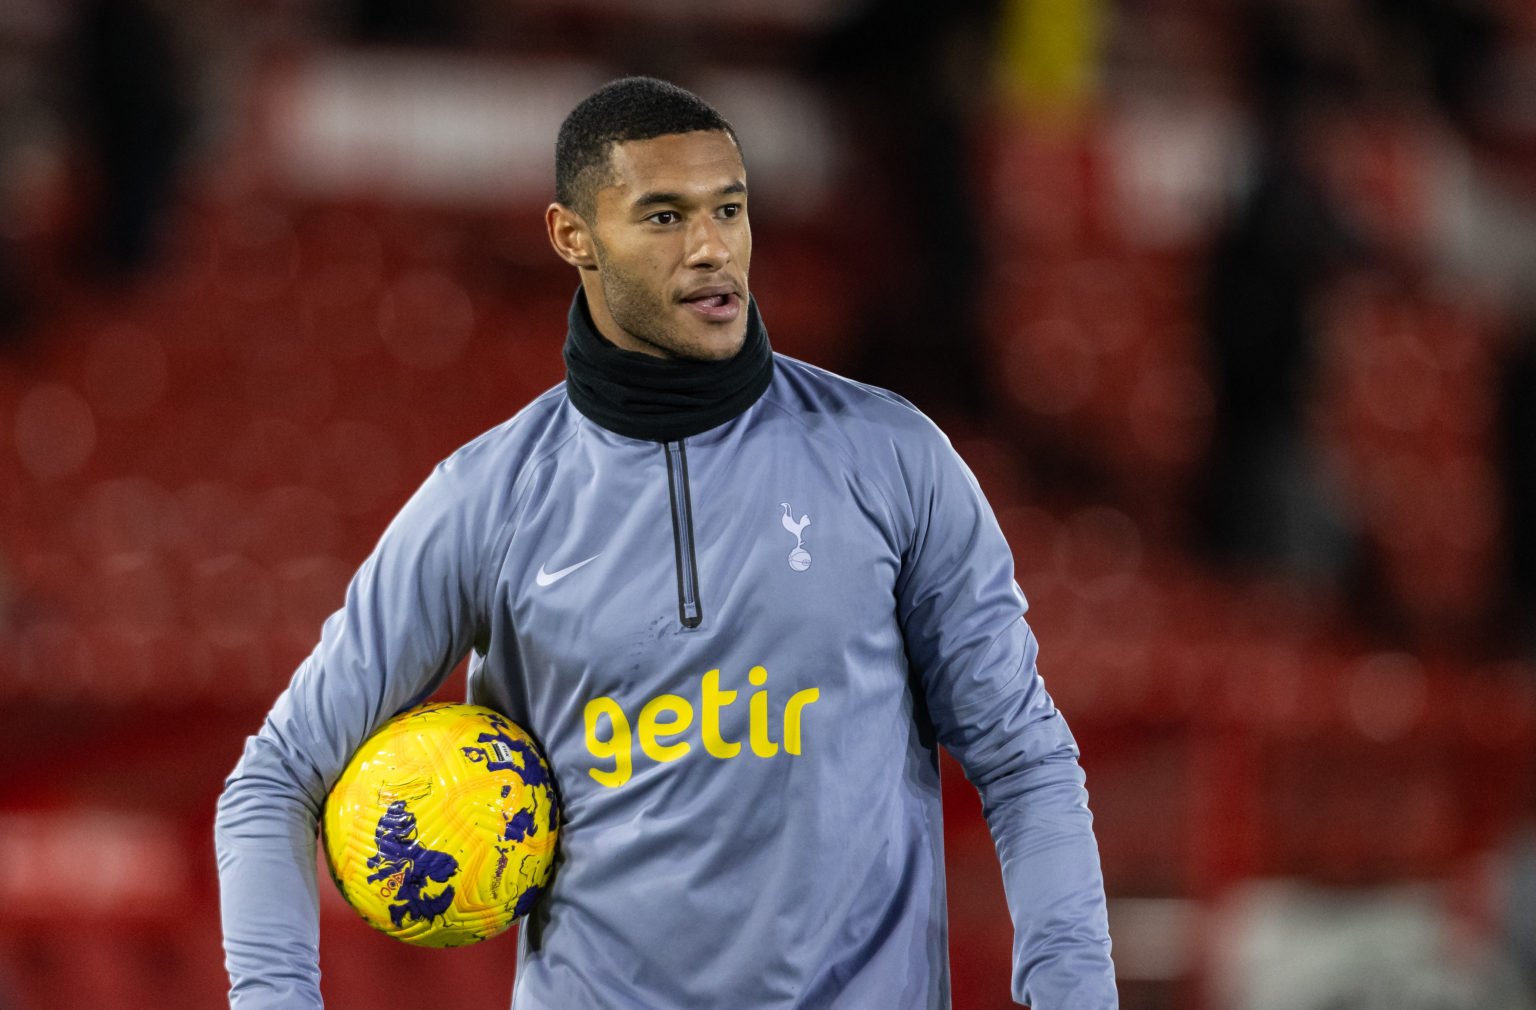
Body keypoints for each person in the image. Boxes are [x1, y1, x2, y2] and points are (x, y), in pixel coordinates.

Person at [215, 76, 1117, 1008]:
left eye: (730, 208)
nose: (711, 248)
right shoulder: (488, 500)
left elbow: (1024, 759)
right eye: (663, 216)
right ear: (573, 237)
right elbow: (275, 779)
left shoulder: (892, 458)